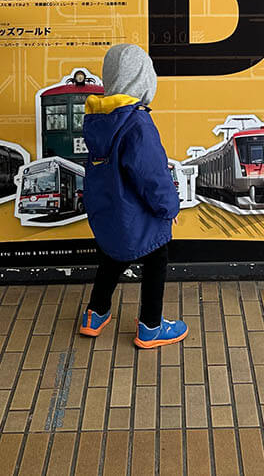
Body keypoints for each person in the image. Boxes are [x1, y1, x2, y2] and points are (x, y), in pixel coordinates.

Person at [77, 43, 186, 348]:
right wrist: (168, 208)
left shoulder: (99, 118)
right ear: (143, 80)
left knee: (112, 258)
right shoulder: (137, 122)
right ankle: (151, 326)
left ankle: (95, 314)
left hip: (110, 212)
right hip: (138, 215)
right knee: (156, 258)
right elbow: (152, 174)